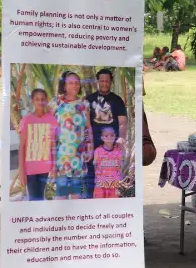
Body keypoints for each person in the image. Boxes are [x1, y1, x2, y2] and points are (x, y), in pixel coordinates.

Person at [85, 69, 128, 198]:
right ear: (98, 81)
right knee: (91, 178)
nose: (104, 83)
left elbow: (123, 123)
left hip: (111, 148)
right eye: (102, 81)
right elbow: (86, 125)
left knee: (110, 181)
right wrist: (88, 143)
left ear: (111, 82)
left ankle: (109, 210)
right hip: (94, 146)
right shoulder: (89, 99)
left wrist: (121, 138)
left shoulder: (117, 100)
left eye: (107, 81)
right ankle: (90, 206)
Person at [51, 71, 92, 200]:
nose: (74, 86)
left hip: (78, 156)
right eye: (70, 83)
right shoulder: (56, 103)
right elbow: (49, 129)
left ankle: (74, 219)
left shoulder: (84, 104)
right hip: (61, 157)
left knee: (76, 194)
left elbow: (88, 128)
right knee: (61, 194)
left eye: (76, 83)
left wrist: (90, 148)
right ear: (64, 85)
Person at [17, 88, 58, 201]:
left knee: (41, 199)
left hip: (45, 168)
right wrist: (21, 170)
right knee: (34, 199)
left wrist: (54, 167)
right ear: (32, 101)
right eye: (37, 99)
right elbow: (22, 147)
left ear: (46, 101)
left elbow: (53, 145)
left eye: (43, 99)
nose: (40, 102)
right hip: (30, 169)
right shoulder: (27, 120)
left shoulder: (52, 120)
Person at [92, 127, 123, 199]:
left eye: (112, 135)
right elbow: (95, 165)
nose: (109, 137)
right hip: (101, 183)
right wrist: (97, 178)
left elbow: (121, 166)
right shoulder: (98, 151)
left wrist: (120, 179)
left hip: (114, 183)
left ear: (115, 137)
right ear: (102, 138)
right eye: (106, 136)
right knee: (99, 203)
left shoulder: (118, 151)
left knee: (113, 204)